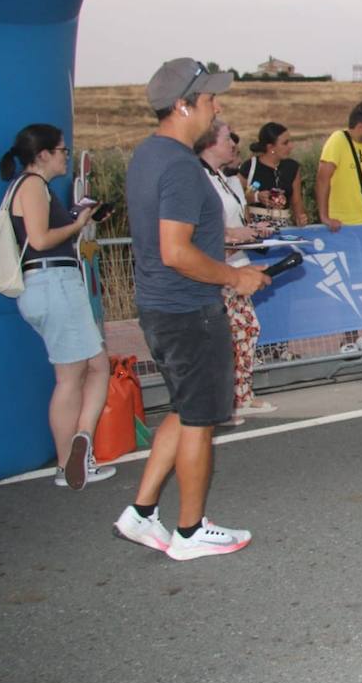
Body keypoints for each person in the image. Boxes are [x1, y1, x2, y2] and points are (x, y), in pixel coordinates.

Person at [113, 57, 268, 560]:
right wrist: (237, 276)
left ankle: (140, 513)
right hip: (188, 311)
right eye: (209, 100)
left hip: (162, 307)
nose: (216, 107)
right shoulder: (180, 165)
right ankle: (189, 530)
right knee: (200, 419)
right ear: (183, 105)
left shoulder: (149, 155)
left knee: (183, 409)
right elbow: (176, 251)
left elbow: (174, 238)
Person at [0, 123, 115, 490]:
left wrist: (81, 221)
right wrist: (79, 221)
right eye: (63, 150)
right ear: (44, 154)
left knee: (96, 365)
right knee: (70, 377)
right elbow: (41, 238)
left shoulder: (30, 187)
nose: (67, 155)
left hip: (49, 284)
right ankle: (70, 460)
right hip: (53, 282)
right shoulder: (33, 186)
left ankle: (81, 441)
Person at [196, 120, 276, 424]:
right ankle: (226, 400)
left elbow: (230, 222)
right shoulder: (199, 178)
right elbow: (204, 230)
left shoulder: (221, 177)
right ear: (209, 143)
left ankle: (241, 395)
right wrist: (235, 235)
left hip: (237, 263)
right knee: (233, 333)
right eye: (228, 138)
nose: (233, 144)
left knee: (246, 329)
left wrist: (250, 231)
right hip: (219, 269)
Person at [316, 101, 362, 232]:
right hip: (341, 225)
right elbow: (323, 179)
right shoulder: (337, 140)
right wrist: (324, 217)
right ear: (361, 127)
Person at [240, 122, 307, 228]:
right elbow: (236, 198)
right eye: (285, 143)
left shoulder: (292, 167)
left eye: (290, 141)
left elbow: (297, 201)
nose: (291, 146)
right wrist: (257, 197)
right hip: (256, 229)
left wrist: (300, 218)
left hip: (284, 228)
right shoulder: (250, 167)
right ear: (271, 147)